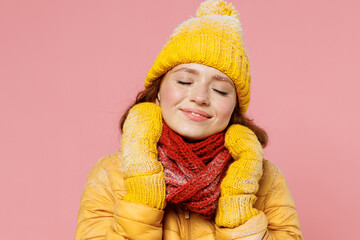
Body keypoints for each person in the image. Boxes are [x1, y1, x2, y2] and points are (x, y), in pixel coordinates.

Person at [75, 0, 303, 239]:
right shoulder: (109, 175)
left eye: (220, 90)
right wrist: (143, 192)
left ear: (234, 106)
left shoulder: (266, 179)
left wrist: (238, 203)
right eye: (185, 81)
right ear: (159, 91)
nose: (201, 97)